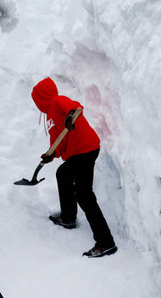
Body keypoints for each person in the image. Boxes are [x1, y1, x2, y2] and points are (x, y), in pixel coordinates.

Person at [31, 77, 117, 258]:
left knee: (84, 194)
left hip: (86, 149)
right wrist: (51, 154)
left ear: (41, 97)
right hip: (77, 153)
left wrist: (70, 116)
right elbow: (58, 142)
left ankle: (105, 242)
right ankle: (68, 217)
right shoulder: (50, 118)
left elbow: (75, 107)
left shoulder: (57, 101)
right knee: (62, 173)